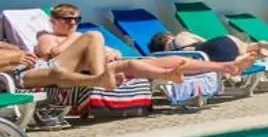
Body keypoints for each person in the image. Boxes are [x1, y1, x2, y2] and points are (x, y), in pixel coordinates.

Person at [38, 4, 256, 81]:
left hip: (107, 64)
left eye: (77, 19)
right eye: (68, 20)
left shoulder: (82, 35)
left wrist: (112, 51)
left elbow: (109, 49)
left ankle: (226, 67)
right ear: (53, 21)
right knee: (134, 65)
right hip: (87, 71)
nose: (73, 24)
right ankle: (165, 76)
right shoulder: (47, 36)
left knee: (176, 58)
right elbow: (50, 56)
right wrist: (73, 39)